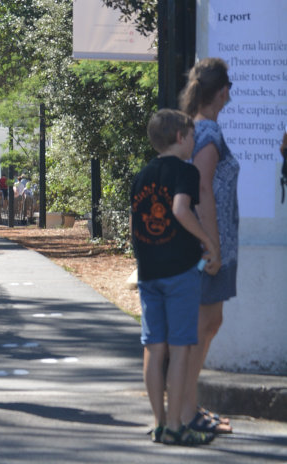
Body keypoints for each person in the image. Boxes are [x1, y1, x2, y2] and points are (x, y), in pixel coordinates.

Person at [131, 109, 217, 446]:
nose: (194, 143)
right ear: (180, 138)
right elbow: (181, 209)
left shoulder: (141, 176)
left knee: (154, 346)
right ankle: (178, 426)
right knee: (181, 347)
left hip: (149, 271)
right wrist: (207, 240)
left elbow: (134, 223)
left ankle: (159, 422)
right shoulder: (186, 171)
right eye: (192, 137)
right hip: (180, 271)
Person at [178, 57, 239, 436]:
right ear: (222, 92)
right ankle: (186, 412)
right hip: (208, 245)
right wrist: (212, 246)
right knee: (202, 327)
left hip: (211, 243)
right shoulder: (209, 133)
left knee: (209, 324)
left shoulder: (199, 129)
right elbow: (202, 191)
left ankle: (189, 406)